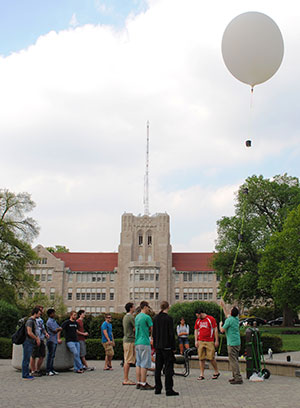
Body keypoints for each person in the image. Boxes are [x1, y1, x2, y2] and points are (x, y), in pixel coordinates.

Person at [153, 301, 179, 396]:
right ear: (168, 307)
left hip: (158, 347)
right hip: (167, 347)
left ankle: (158, 388)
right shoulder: (169, 319)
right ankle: (169, 389)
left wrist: (155, 345)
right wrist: (173, 347)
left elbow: (154, 333)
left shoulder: (155, 318)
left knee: (158, 368)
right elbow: (171, 334)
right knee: (168, 368)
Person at [219, 299, 243, 384]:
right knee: (235, 360)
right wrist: (223, 306)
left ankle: (238, 378)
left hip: (232, 343)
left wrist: (220, 324)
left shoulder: (229, 320)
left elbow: (222, 330)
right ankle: (235, 376)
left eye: (231, 309)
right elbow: (227, 315)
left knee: (233, 361)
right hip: (237, 342)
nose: (229, 310)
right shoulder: (236, 319)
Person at [194, 309, 220, 380]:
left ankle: (216, 371)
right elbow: (196, 330)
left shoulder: (210, 319)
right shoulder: (198, 321)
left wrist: (216, 340)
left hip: (209, 340)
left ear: (201, 313)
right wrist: (196, 340)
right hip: (201, 340)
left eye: (198, 315)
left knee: (211, 357)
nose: (198, 317)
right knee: (201, 357)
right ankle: (202, 374)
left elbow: (215, 329)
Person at [135, 301, 154, 390]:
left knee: (138, 363)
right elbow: (152, 328)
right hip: (145, 341)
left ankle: (138, 382)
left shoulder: (137, 317)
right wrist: (152, 337)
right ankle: (143, 382)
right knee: (144, 363)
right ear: (145, 307)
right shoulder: (147, 317)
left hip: (137, 341)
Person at [22, 307, 41, 380]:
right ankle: (25, 375)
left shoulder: (34, 321)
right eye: (39, 313)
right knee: (26, 358)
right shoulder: (30, 321)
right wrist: (36, 338)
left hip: (31, 341)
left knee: (27, 357)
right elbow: (29, 332)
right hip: (28, 341)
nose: (40, 315)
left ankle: (26, 374)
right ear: (35, 313)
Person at [30, 305, 49, 376]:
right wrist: (36, 338)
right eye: (40, 311)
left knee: (42, 355)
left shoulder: (40, 319)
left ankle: (38, 369)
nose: (41, 312)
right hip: (35, 339)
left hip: (41, 338)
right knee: (34, 355)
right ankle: (33, 370)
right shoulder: (32, 320)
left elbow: (42, 328)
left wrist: (46, 333)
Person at [122, 302, 136, 385]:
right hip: (129, 340)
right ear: (130, 308)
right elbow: (136, 327)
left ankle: (126, 378)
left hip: (127, 340)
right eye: (133, 307)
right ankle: (126, 379)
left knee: (127, 359)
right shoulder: (130, 317)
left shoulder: (125, 316)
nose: (134, 308)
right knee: (127, 360)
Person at [46, 308, 62, 376]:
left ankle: (52, 369)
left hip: (54, 339)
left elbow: (58, 328)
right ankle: (48, 370)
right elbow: (55, 330)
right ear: (50, 314)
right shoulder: (49, 322)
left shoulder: (54, 321)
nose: (54, 314)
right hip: (51, 340)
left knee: (53, 355)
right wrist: (58, 329)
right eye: (53, 313)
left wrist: (58, 329)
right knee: (50, 355)